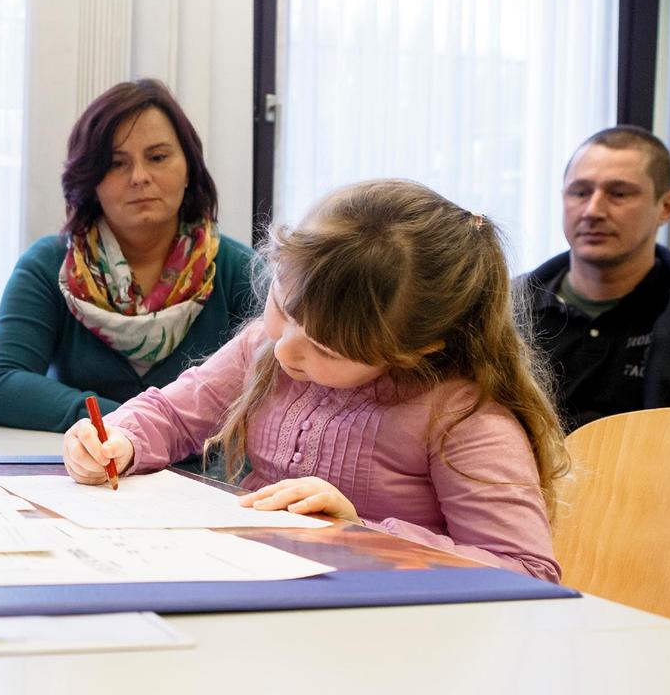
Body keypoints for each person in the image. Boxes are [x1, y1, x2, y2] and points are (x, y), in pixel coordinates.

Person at [62, 179, 569, 581]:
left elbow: (528, 572)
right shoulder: (266, 344)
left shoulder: (461, 417)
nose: (284, 348)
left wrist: (359, 533)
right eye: (282, 307)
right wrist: (120, 441)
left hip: (393, 644)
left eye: (326, 348)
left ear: (415, 350)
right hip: (257, 589)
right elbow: (173, 414)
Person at [0, 79, 256, 433]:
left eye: (157, 157)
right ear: (91, 180)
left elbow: (277, 395)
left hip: (203, 477)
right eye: (116, 163)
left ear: (189, 167)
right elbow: (0, 383)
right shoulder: (48, 266)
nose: (139, 177)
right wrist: (132, 424)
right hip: (86, 470)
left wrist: (154, 432)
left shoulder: (239, 271)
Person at [519, 126, 670, 433]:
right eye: (580, 192)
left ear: (667, 206)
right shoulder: (507, 310)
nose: (593, 210)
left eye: (619, 194)